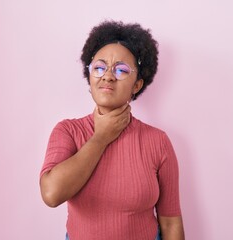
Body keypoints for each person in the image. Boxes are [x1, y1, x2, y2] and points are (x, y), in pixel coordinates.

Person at [39, 20, 185, 240]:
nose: (107, 76)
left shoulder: (158, 141)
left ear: (137, 85)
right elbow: (51, 194)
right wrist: (100, 138)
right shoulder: (68, 131)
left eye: (121, 70)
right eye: (99, 67)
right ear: (89, 77)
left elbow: (171, 221)